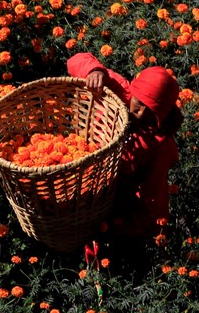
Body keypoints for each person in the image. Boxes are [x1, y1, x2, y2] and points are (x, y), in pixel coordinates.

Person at [67, 52, 182, 262]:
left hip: (108, 200)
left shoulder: (159, 144)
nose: (140, 113)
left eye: (151, 111)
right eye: (140, 103)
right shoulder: (117, 89)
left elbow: (153, 200)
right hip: (75, 167)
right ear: (134, 89)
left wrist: (118, 227)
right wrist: (94, 71)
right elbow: (76, 60)